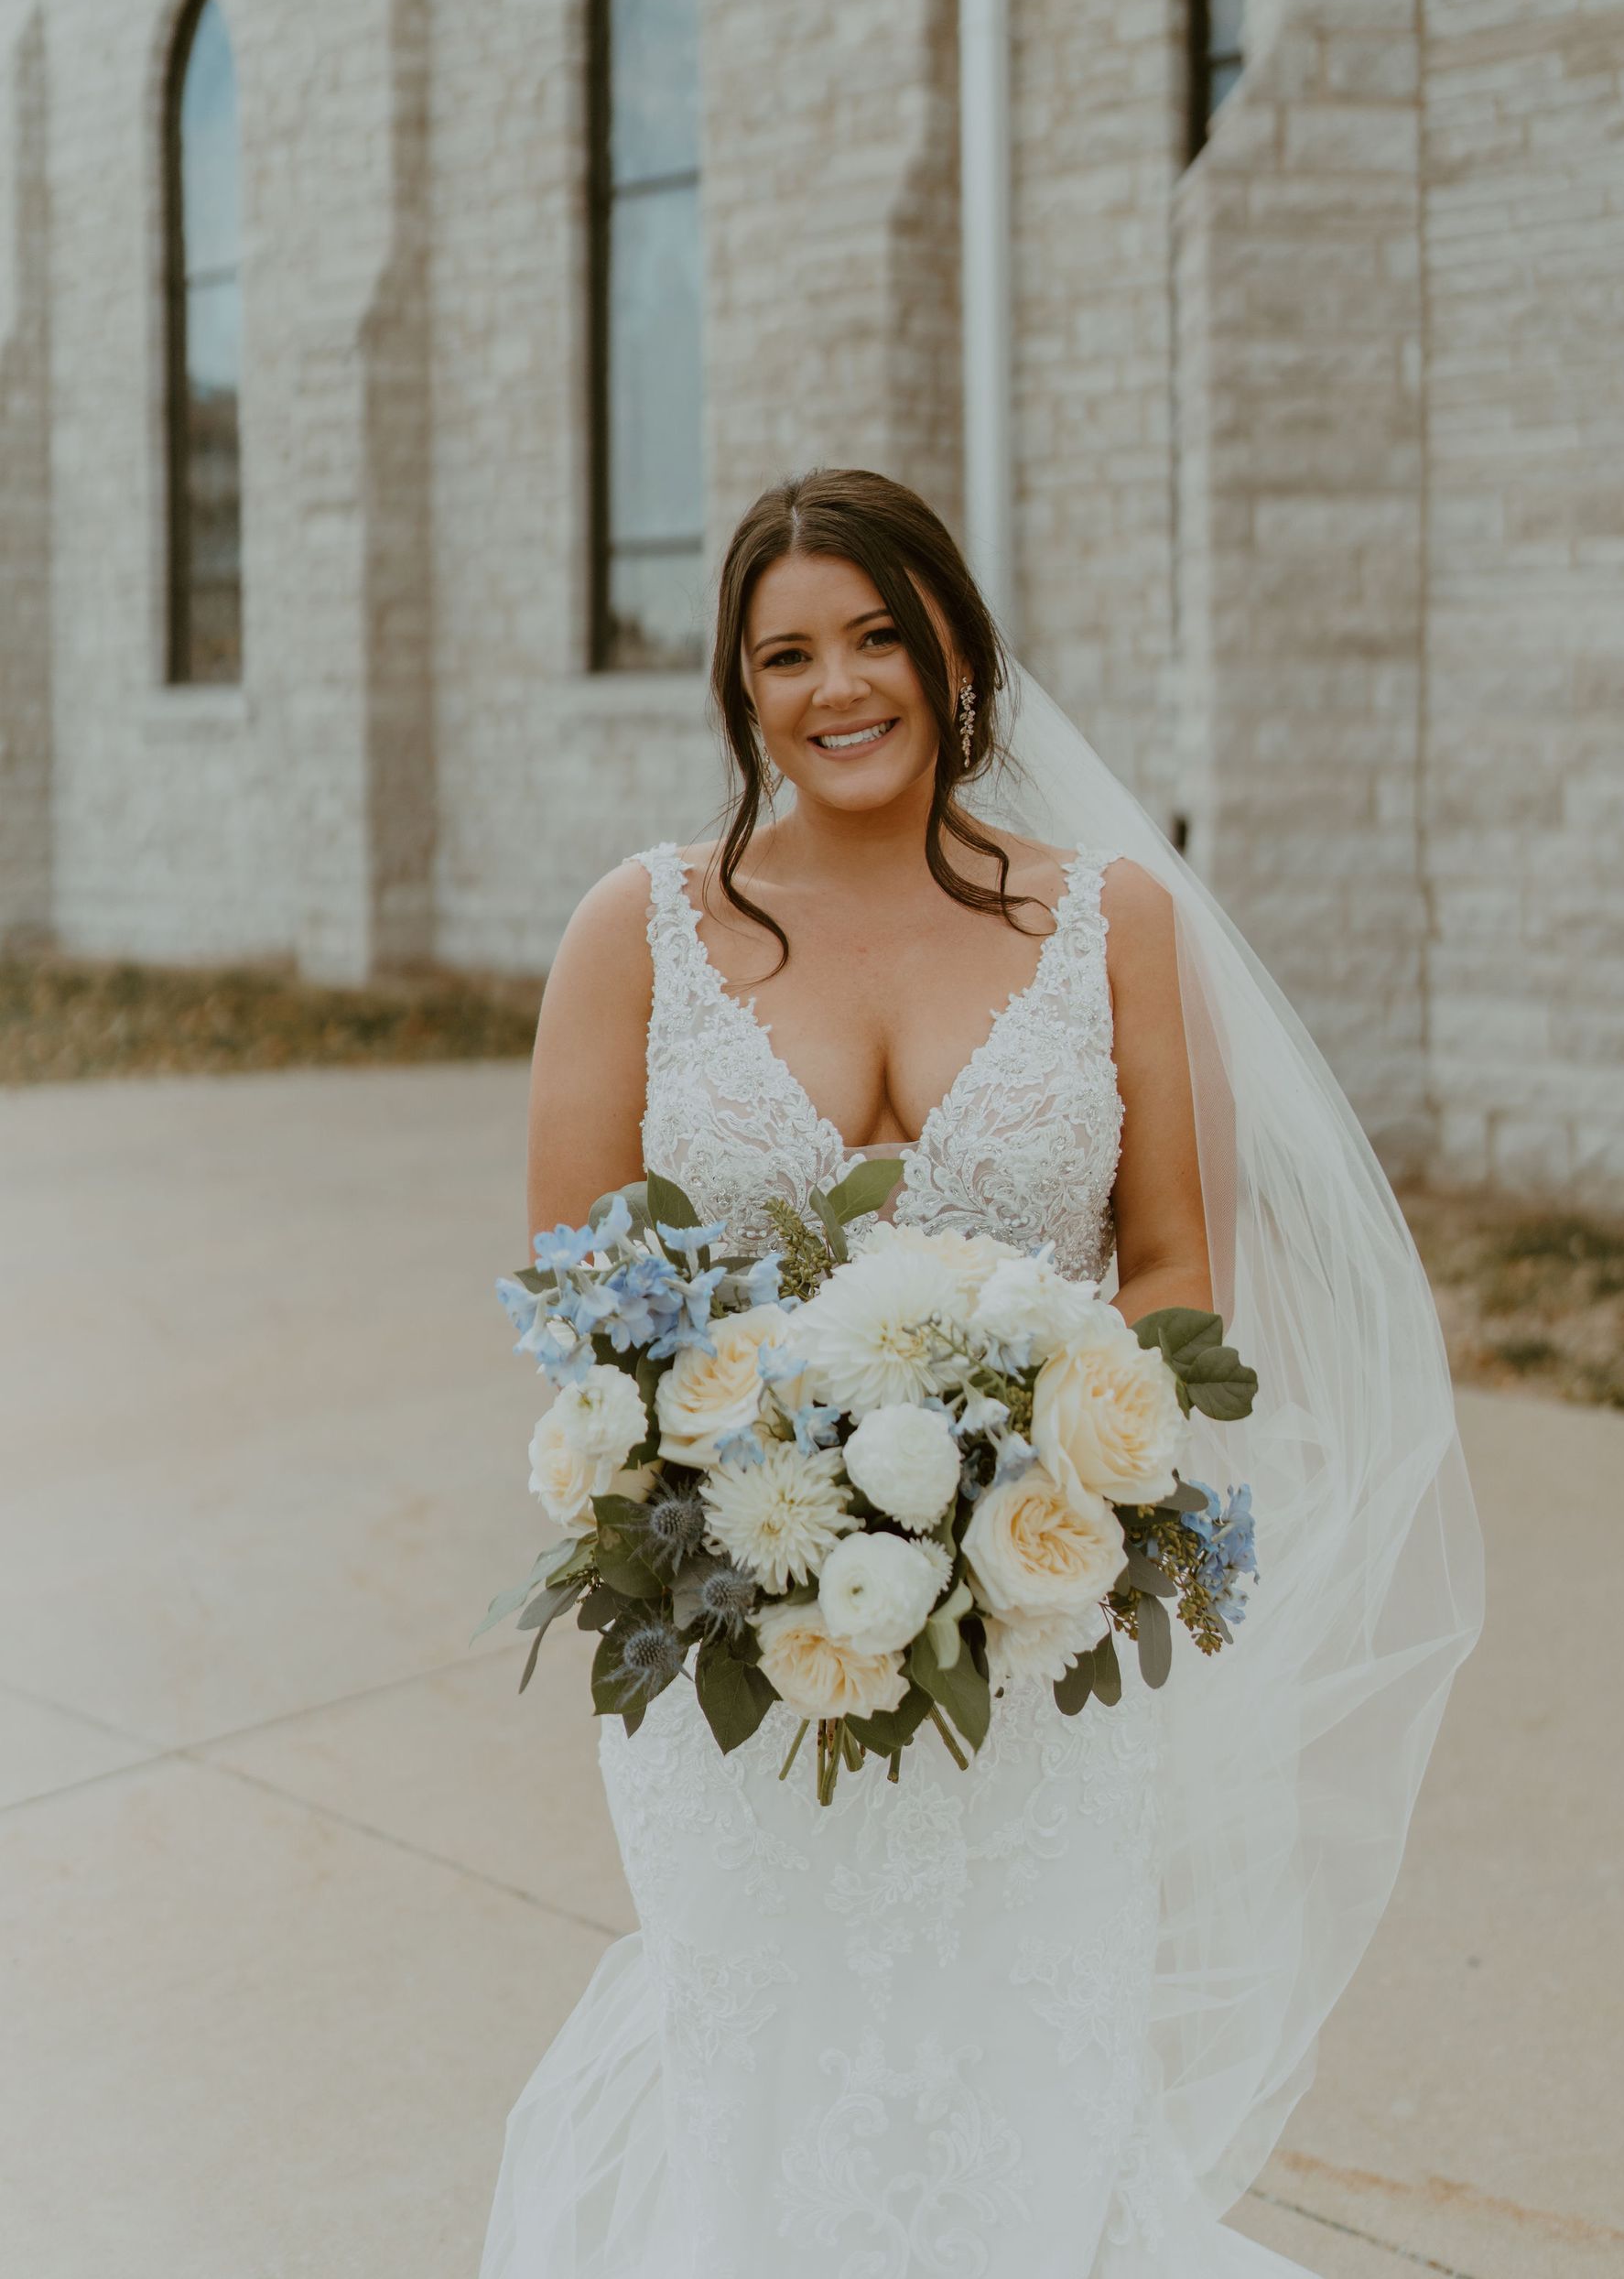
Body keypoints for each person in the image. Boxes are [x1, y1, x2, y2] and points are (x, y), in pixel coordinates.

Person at [482, 468, 1482, 2278]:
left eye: (877, 635)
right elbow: (578, 1292)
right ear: (739, 692)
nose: (835, 685)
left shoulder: (1113, 923)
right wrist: (736, 1499)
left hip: (1037, 1623)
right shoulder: (638, 929)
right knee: (771, 2068)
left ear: (958, 654)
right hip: (746, 1629)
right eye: (782, 654)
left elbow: (1176, 1270)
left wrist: (1054, 1485)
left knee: (1023, 2075)